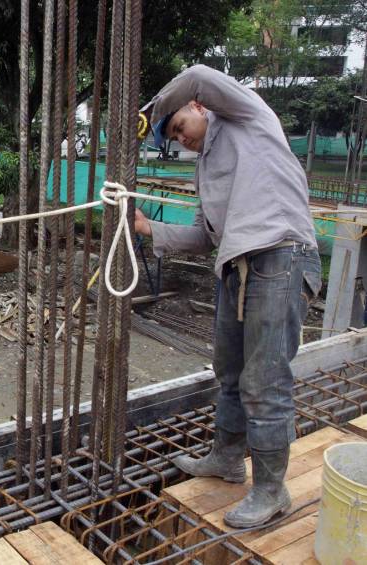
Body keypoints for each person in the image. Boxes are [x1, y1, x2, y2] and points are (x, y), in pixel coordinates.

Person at [136, 64, 321, 528]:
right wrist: (145, 226)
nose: (181, 140)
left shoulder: (244, 116)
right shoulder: (204, 169)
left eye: (179, 127)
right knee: (231, 373)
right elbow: (204, 236)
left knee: (266, 379)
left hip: (280, 256)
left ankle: (272, 490)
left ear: (199, 107)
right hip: (236, 269)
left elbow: (197, 73)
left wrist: (147, 114)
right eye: (173, 138)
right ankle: (227, 458)